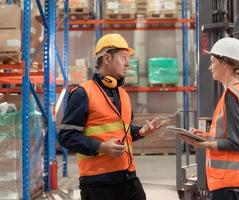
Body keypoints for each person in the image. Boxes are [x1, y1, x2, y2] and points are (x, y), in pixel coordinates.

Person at [58, 33, 167, 200]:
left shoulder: (123, 94)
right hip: (98, 183)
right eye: (123, 57)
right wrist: (101, 147)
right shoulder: (83, 93)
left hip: (128, 177)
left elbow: (122, 133)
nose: (128, 63)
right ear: (107, 58)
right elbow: (66, 137)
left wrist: (141, 131)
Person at [181, 37, 239, 200]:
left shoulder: (231, 95)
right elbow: (231, 135)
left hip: (229, 185)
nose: (210, 67)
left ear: (226, 64)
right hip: (232, 184)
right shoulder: (237, 91)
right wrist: (205, 136)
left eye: (213, 62)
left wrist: (203, 144)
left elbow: (237, 142)